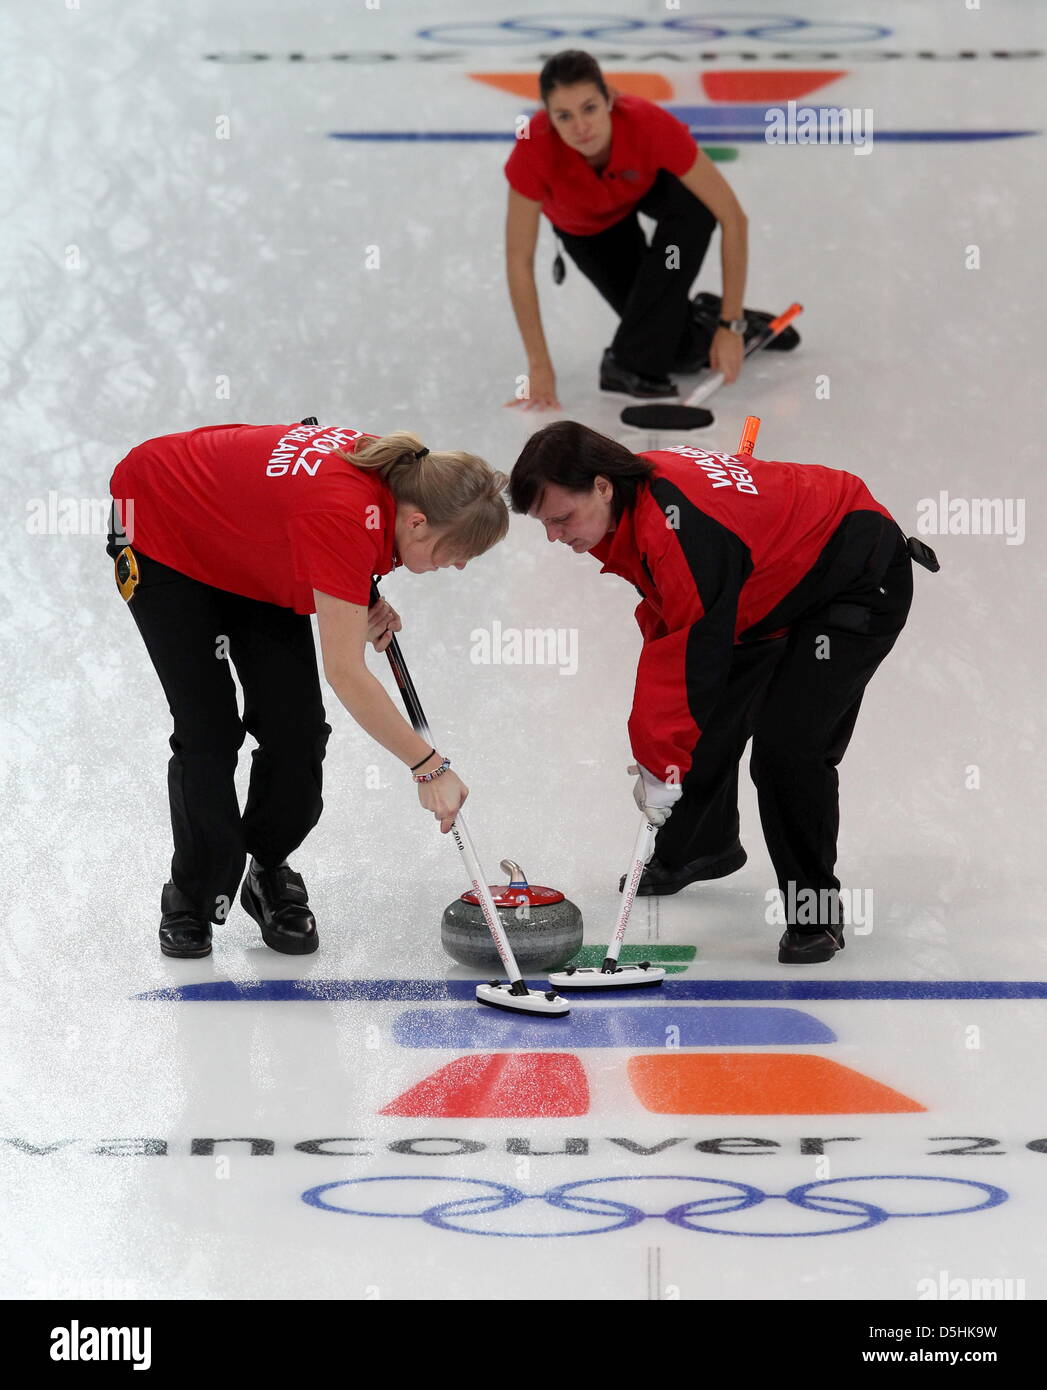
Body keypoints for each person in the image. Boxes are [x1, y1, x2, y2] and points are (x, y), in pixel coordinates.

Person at [509, 420, 932, 965]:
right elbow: (676, 619)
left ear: (602, 485)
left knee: (788, 749)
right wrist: (663, 756)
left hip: (854, 579)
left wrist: (659, 764)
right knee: (703, 714)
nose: (555, 537)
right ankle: (698, 849)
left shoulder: (680, 529)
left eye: (561, 519)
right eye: (544, 524)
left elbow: (690, 655)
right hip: (766, 587)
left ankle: (814, 914)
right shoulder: (633, 499)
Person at [107, 421, 508, 960]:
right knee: (210, 730)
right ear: (416, 522)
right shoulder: (343, 513)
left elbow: (299, 508)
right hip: (161, 530)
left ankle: (266, 869)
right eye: (455, 552)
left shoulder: (400, 473)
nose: (457, 566)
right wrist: (428, 766)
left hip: (245, 540)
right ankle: (193, 894)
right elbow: (347, 672)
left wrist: (357, 588)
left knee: (293, 728)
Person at [503, 49, 798, 407]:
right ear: (548, 118)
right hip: (590, 230)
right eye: (564, 116)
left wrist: (731, 325)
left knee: (697, 208)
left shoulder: (648, 124)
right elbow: (519, 259)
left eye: (590, 108)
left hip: (649, 201)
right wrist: (540, 366)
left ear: (609, 98)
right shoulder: (533, 149)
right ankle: (699, 318)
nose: (580, 127)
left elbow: (733, 217)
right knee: (676, 350)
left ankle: (627, 363)